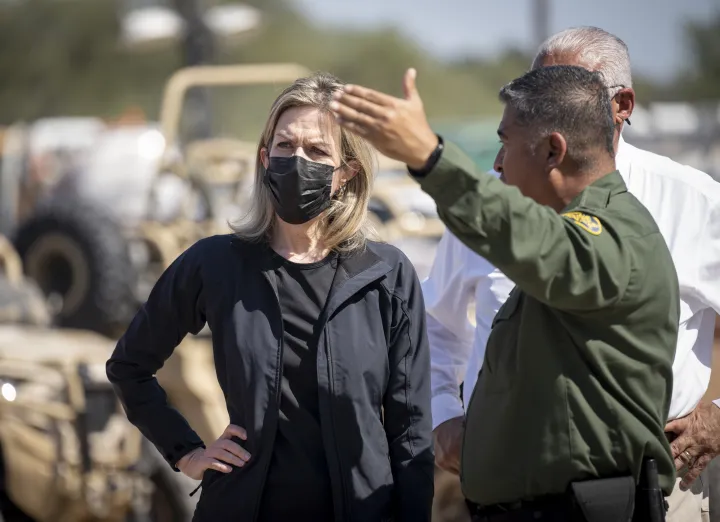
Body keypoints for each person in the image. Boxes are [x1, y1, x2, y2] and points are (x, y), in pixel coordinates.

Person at [330, 64, 680, 521]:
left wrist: (431, 158)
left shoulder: (613, 239)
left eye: (506, 143)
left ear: (553, 151)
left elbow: (539, 243)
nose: (496, 163)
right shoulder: (586, 235)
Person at [106, 71, 434, 522]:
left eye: (317, 151)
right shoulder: (214, 263)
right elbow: (129, 367)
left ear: (345, 174)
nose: (297, 160)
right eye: (284, 146)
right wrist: (187, 453)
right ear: (264, 158)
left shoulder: (386, 273)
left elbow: (410, 426)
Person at [425, 26, 720, 522]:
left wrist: (718, 418)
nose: (543, 105)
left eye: (567, 89)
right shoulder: (496, 197)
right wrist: (443, 414)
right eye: (536, 91)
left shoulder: (694, 200)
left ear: (622, 103)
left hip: (659, 481)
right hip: (508, 487)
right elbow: (437, 322)